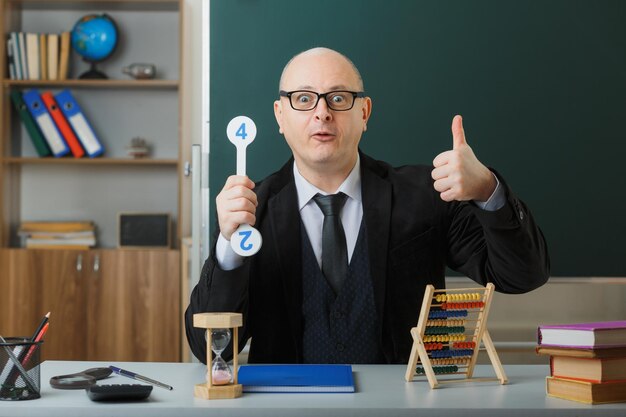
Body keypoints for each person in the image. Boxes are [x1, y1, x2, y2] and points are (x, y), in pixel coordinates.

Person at [186, 47, 549, 364]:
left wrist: (487, 190)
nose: (322, 112)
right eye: (304, 98)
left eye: (339, 98)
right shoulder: (250, 211)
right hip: (288, 406)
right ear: (280, 116)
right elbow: (210, 350)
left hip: (403, 408)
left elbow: (522, 276)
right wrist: (229, 250)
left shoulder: (425, 195)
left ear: (365, 112)